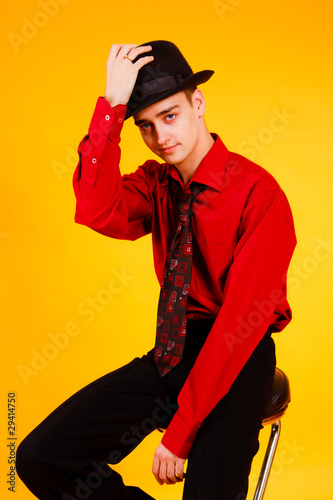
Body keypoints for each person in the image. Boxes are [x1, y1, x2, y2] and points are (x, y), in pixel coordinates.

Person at [16, 40, 297, 500]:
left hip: (237, 357)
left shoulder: (258, 194)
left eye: (170, 116)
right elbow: (95, 208)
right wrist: (111, 106)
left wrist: (180, 432)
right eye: (145, 126)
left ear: (198, 104)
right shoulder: (156, 184)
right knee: (40, 457)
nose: (161, 136)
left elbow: (239, 324)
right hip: (174, 351)